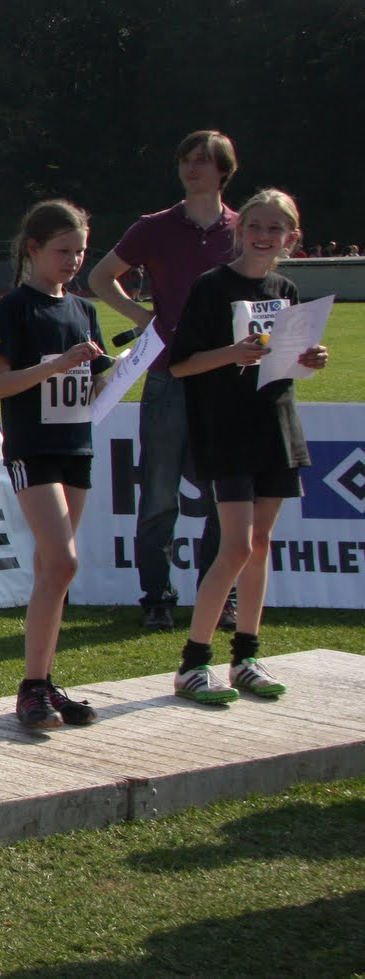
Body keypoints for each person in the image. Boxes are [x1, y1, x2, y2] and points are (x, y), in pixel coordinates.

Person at [166, 189, 328, 704]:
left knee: (260, 546)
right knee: (235, 546)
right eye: (255, 226)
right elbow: (180, 364)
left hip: (276, 426)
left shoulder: (286, 288)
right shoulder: (212, 286)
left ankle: (246, 658)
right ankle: (193, 664)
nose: (263, 236)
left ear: (292, 238)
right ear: (239, 230)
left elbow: (288, 360)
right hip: (227, 430)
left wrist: (310, 359)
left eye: (275, 229)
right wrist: (232, 353)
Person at [89, 130, 239, 632]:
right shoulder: (154, 227)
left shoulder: (242, 229)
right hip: (167, 377)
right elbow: (100, 277)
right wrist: (142, 316)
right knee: (158, 496)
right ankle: (157, 597)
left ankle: (220, 596)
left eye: (203, 161)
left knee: (223, 498)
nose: (191, 169)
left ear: (224, 170)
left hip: (224, 380)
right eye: (185, 160)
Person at [0, 201, 111, 729]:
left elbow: (96, 383)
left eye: (80, 251)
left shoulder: (83, 310)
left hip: (75, 446)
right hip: (32, 448)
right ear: (33, 248)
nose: (74, 260)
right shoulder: (14, 308)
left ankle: (44, 681)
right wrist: (57, 364)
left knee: (52, 570)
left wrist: (117, 370)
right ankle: (32, 687)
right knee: (63, 562)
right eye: (63, 250)